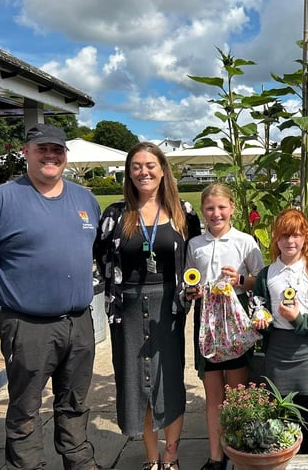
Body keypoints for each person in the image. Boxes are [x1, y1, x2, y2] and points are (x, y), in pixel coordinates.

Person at [0, 124, 101, 470]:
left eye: (57, 149)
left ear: (66, 155)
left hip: (79, 322)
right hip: (28, 326)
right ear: (26, 152)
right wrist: (15, 286)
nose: (51, 155)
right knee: (25, 407)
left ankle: (79, 461)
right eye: (42, 149)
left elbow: (91, 249)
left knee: (75, 402)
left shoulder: (85, 199)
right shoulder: (0, 201)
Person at [94, 142, 201, 470]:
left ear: (163, 169)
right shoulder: (115, 214)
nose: (144, 172)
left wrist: (194, 288)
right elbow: (99, 257)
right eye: (137, 166)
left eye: (150, 165)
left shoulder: (183, 212)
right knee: (134, 382)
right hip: (126, 309)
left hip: (167, 309)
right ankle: (151, 457)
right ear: (129, 172)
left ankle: (171, 454)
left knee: (168, 379)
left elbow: (195, 255)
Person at [184, 183, 264, 470]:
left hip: (236, 320)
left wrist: (240, 280)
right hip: (207, 320)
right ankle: (216, 457)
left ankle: (238, 453)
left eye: (221, 207)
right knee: (213, 393)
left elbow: (260, 280)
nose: (216, 213)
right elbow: (189, 280)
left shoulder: (245, 242)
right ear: (203, 211)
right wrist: (192, 291)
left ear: (232, 208)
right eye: (209, 208)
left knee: (238, 390)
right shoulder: (195, 244)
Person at [252, 208, 308, 454]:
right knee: (280, 418)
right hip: (278, 354)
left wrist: (299, 319)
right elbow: (258, 309)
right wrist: (261, 322)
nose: (290, 241)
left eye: (297, 235)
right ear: (276, 239)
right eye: (284, 236)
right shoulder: (267, 275)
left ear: (305, 238)